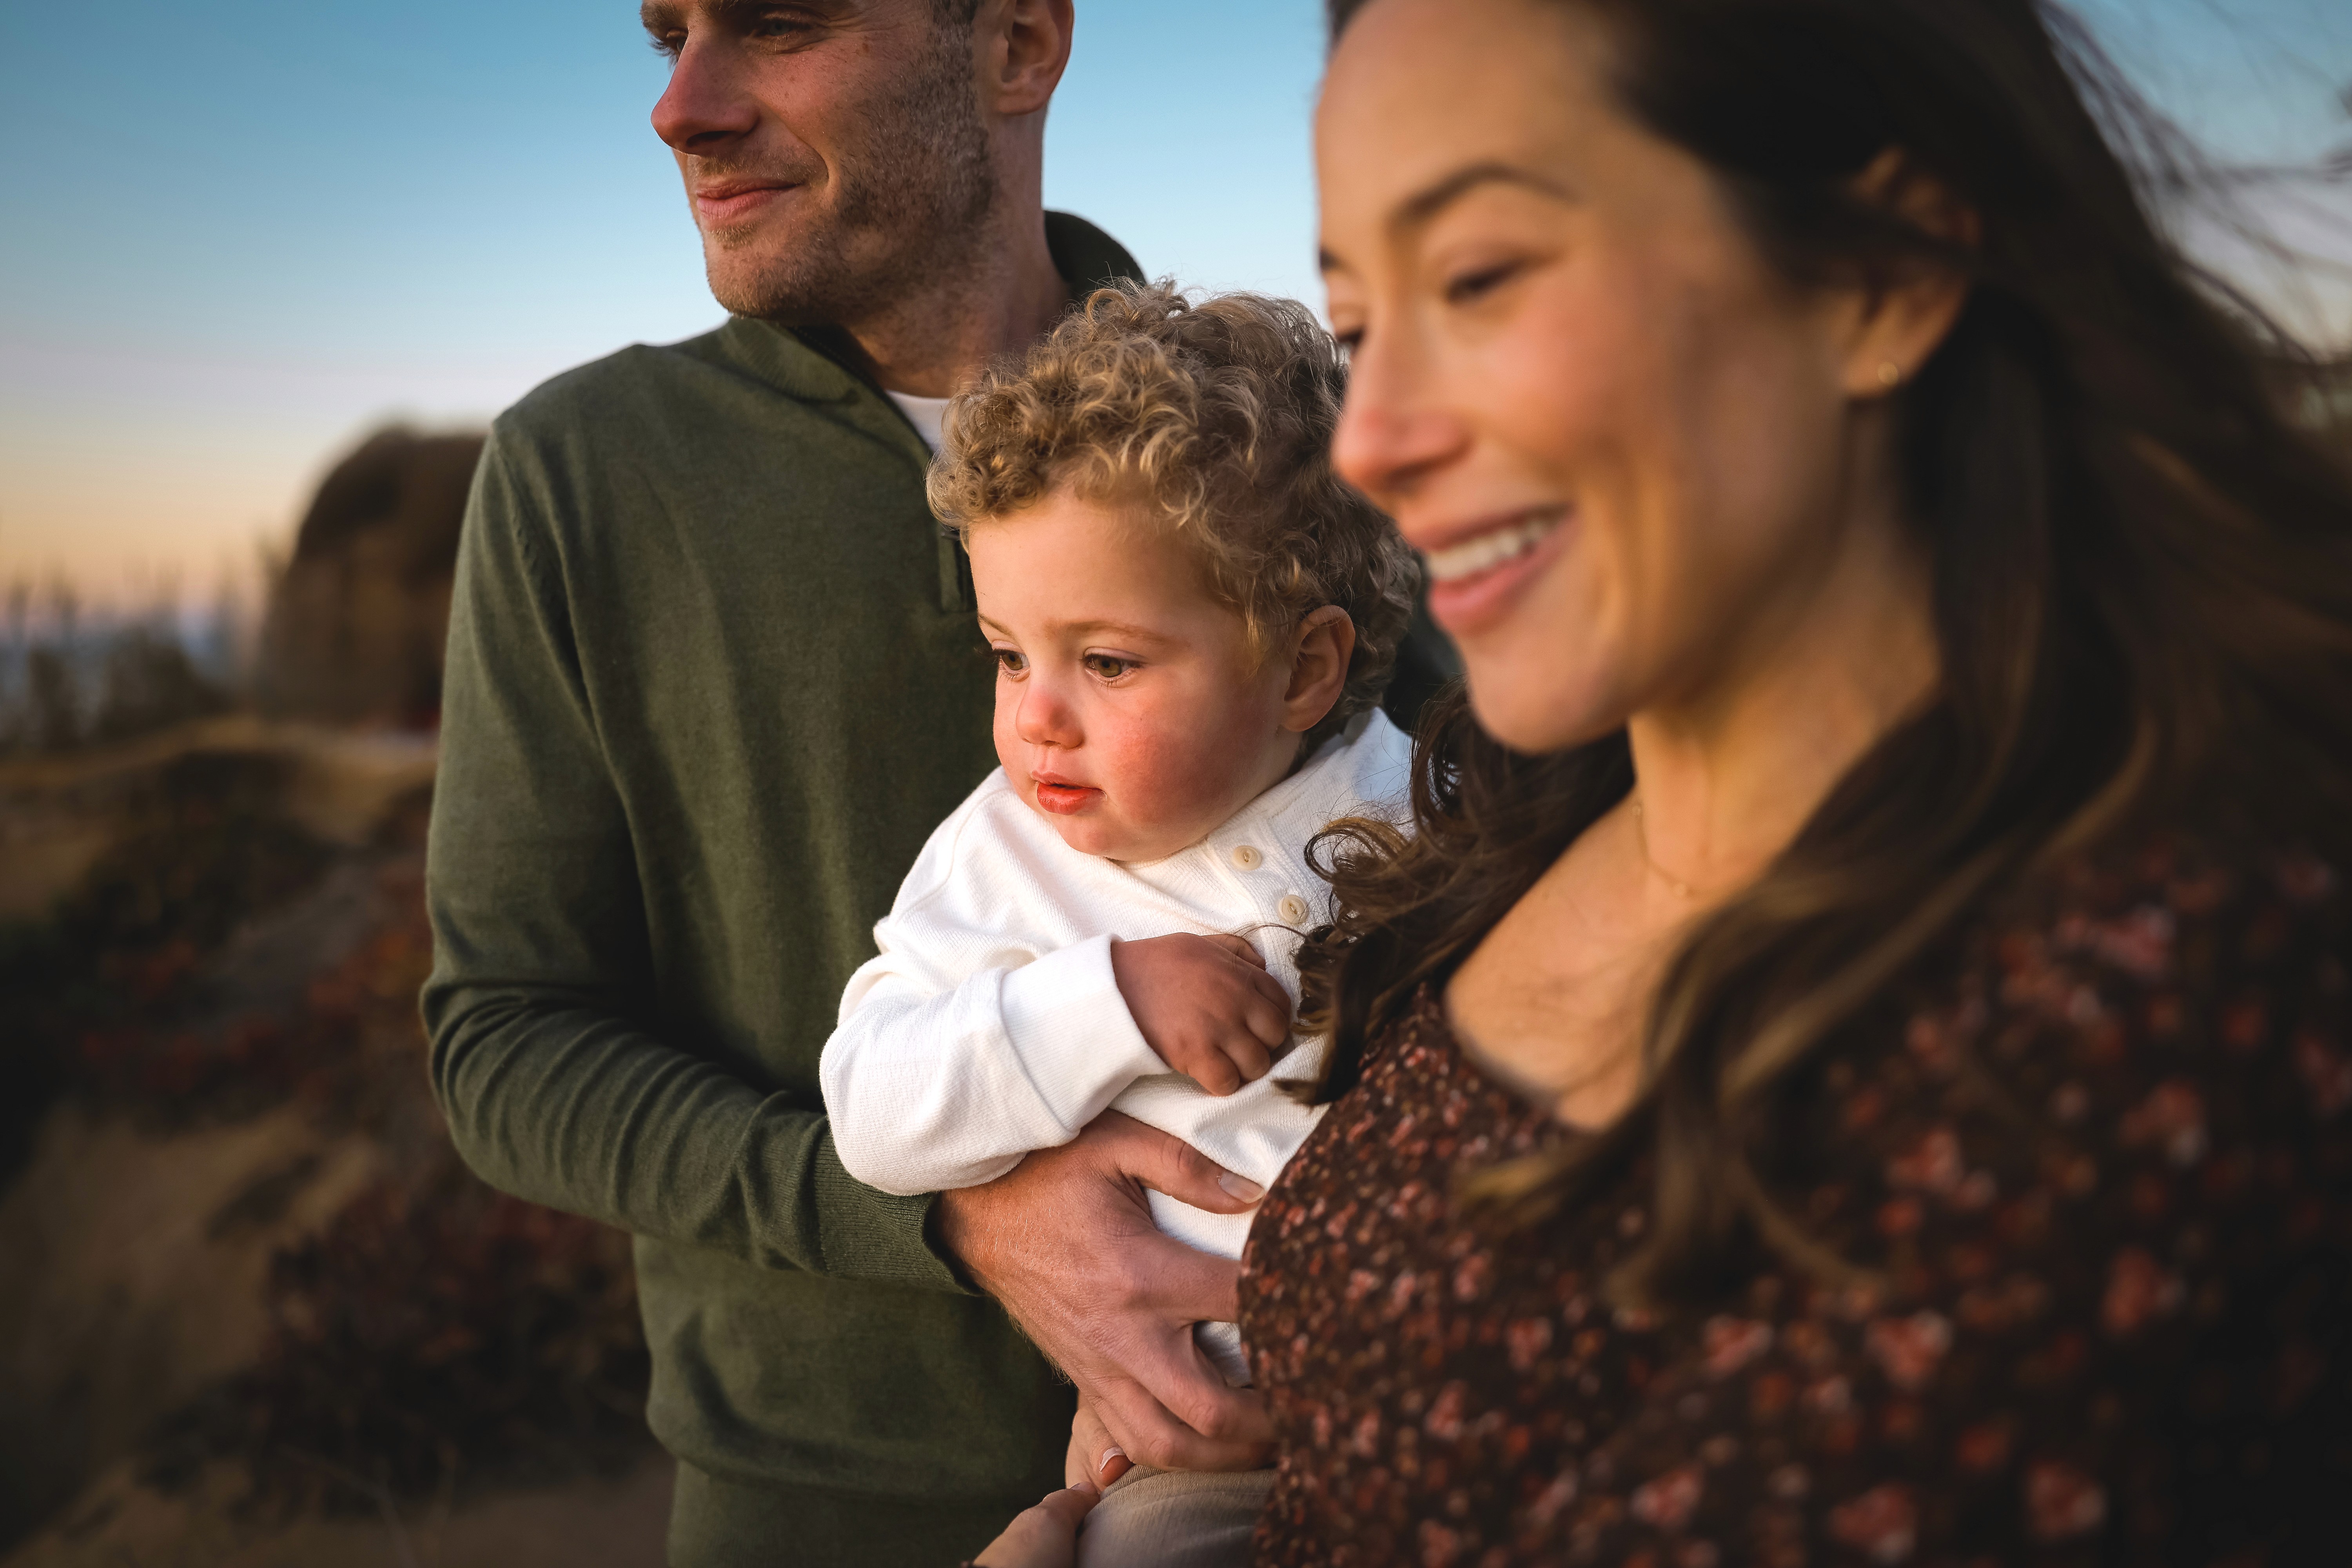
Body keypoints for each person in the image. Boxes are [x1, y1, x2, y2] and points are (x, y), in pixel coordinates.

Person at [980, 0, 2352, 1562]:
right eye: (1360, 331)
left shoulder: (2146, 1007)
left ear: (1875, 275)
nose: (1372, 443)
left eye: (1481, 279)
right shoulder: (1503, 823)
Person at [422, 3, 1437, 1561]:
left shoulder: (1290, 448)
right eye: (666, 35)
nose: (681, 106)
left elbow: (1531, 907)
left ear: (1017, 45)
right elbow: (504, 1043)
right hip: (813, 1507)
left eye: (776, 21)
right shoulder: (586, 475)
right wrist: (950, 1221)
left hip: (1371, 1467)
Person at [822, 283, 1417, 1567]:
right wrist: (1106, 1001)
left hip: (1462, 1396)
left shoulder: (1425, 806)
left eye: (1107, 664)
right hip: (1204, 1448)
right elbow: (872, 1106)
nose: (1038, 717)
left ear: (1304, 670)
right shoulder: (1004, 859)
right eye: (1005, 654)